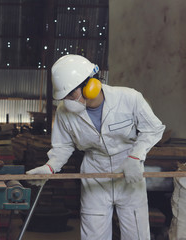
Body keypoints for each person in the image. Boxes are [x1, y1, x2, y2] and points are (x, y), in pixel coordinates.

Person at [26, 54, 165, 240]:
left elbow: (153, 129)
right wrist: (50, 167)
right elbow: (63, 146)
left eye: (71, 94)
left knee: (136, 234)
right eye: (64, 97)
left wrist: (136, 156)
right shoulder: (64, 112)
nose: (67, 101)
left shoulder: (129, 98)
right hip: (94, 173)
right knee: (94, 235)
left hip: (129, 171)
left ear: (90, 85)